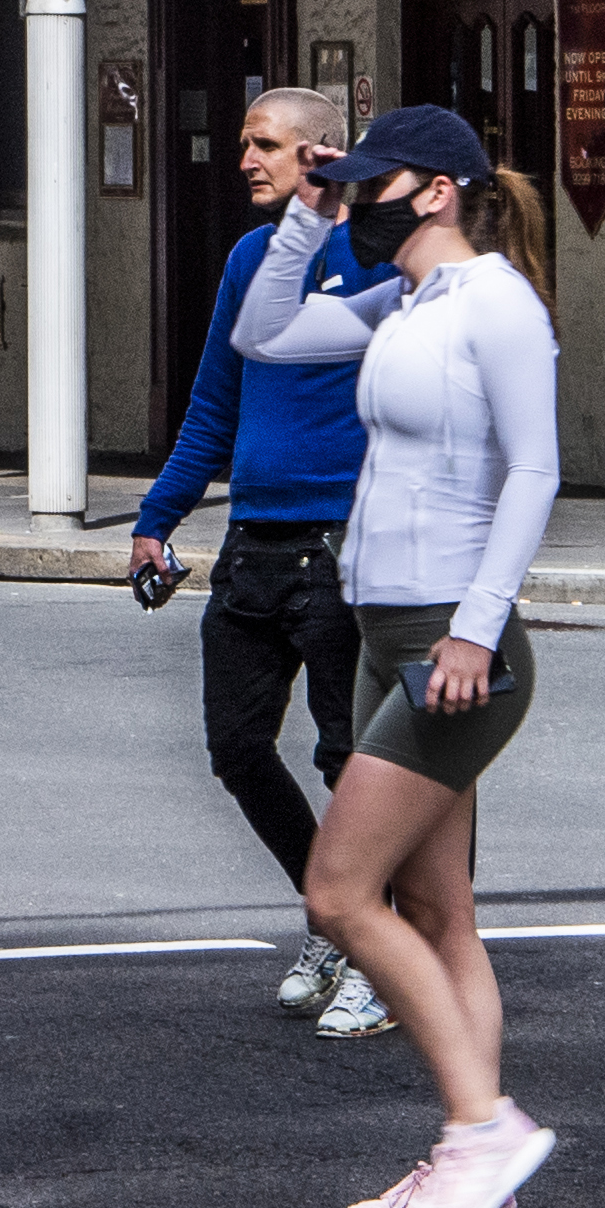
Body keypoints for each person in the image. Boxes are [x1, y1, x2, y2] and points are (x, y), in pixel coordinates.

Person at [233, 102, 562, 1208]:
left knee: (338, 891)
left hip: (449, 642)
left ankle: (483, 1127)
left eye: (371, 183)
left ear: (435, 189)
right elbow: (264, 338)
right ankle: (488, 1175)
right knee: (440, 912)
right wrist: (302, 221)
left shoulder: (497, 303)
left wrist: (475, 631)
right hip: (385, 628)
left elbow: (534, 471)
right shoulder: (404, 300)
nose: (355, 197)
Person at [130, 85, 390, 1037]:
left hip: (337, 552)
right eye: (243, 140)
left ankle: (380, 947)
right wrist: (158, 519)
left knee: (346, 759)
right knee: (238, 748)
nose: (245, 157)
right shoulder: (251, 259)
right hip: (251, 552)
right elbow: (214, 406)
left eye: (265, 144)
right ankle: (336, 916)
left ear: (321, 155)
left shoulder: (375, 258)